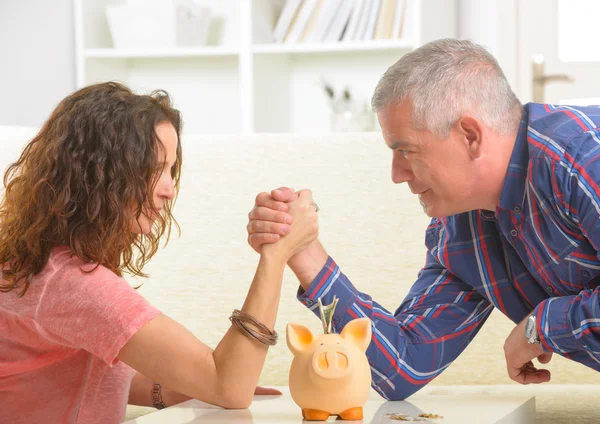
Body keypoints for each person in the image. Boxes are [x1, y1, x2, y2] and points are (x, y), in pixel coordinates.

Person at [247, 38, 600, 401]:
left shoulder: (580, 158)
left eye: (406, 150)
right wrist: (304, 252)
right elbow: (403, 366)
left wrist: (541, 327)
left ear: (470, 136)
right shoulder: (461, 226)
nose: (397, 174)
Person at [0, 82, 319, 424]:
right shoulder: (71, 283)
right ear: (101, 171)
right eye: (154, 169)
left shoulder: (35, 262)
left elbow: (64, 373)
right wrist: (277, 252)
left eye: (171, 168)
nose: (169, 189)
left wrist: (175, 387)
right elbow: (230, 387)